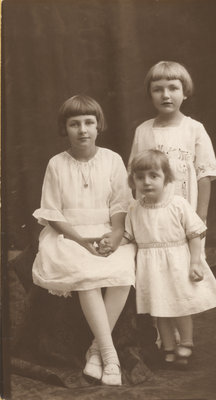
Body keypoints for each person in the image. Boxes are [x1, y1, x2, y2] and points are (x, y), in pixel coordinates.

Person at [32, 95, 136, 386]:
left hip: (105, 231)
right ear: (64, 128)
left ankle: (95, 351)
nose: (82, 129)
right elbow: (52, 212)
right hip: (68, 234)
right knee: (87, 275)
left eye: (89, 122)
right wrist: (80, 241)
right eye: (74, 123)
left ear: (99, 125)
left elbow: (120, 204)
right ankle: (109, 355)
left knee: (122, 272)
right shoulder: (57, 164)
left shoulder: (112, 159)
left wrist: (115, 235)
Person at [128, 60, 216, 356]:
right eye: (158, 89)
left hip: (184, 217)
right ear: (150, 94)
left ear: (185, 92)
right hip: (152, 220)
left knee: (182, 279)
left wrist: (201, 214)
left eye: (173, 88)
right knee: (157, 278)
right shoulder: (143, 131)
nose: (166, 95)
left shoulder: (194, 129)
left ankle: (186, 340)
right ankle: (163, 339)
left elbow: (205, 173)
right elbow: (135, 175)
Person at [123, 149, 216, 367]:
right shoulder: (134, 209)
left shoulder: (177, 204)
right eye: (140, 177)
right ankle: (168, 346)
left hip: (177, 262)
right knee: (160, 310)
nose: (147, 182)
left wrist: (195, 261)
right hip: (150, 266)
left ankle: (186, 343)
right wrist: (110, 242)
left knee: (179, 307)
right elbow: (128, 236)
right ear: (133, 181)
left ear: (166, 178)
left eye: (153, 176)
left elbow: (194, 233)